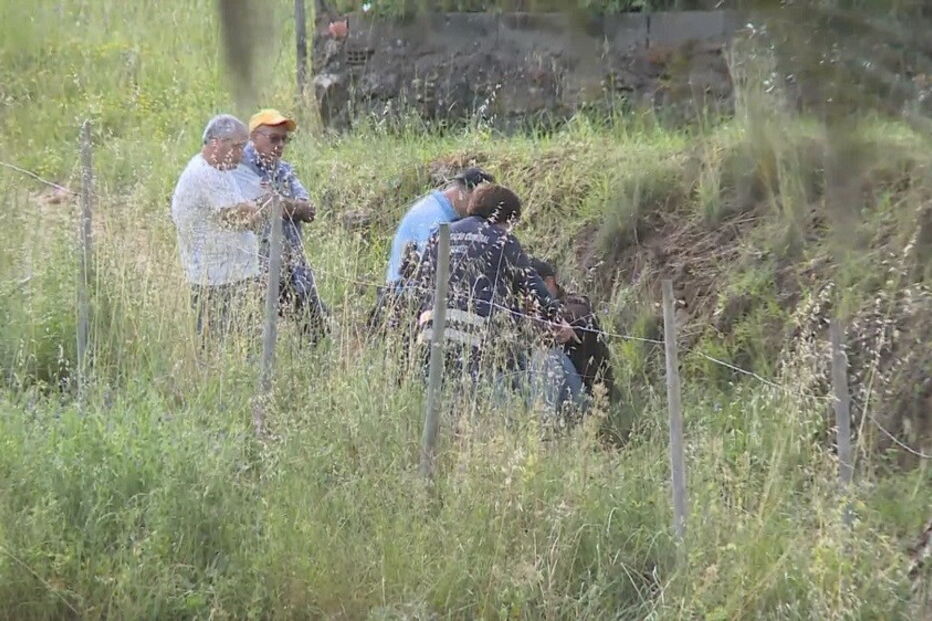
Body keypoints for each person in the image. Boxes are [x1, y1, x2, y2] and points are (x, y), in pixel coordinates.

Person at [413, 184, 577, 406]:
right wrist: (558, 319)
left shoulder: (439, 235)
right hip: (480, 339)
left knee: (439, 404)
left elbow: (419, 284)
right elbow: (531, 284)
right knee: (502, 393)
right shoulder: (502, 239)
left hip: (432, 333)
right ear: (507, 219)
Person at [233, 108, 329, 343]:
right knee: (253, 330)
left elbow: (309, 210)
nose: (280, 145)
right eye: (273, 138)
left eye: (285, 139)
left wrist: (281, 204)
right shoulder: (239, 167)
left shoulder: (283, 169)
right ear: (253, 137)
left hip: (291, 262)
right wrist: (285, 206)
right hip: (255, 265)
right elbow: (262, 209)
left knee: (316, 323)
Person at [171, 114, 263, 337]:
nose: (241, 155)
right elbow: (240, 217)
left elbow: (247, 208)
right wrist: (256, 208)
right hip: (217, 281)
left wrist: (252, 207)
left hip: (230, 276)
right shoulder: (205, 174)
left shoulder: (220, 169)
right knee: (223, 347)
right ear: (217, 143)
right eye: (238, 147)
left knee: (241, 345)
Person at [384, 167, 494, 285]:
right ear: (465, 193)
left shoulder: (438, 208)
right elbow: (429, 265)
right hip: (405, 292)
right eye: (479, 201)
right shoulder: (433, 216)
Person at [529, 257, 616, 406]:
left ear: (549, 282)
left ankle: (543, 423)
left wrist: (535, 319)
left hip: (590, 396)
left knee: (547, 356)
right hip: (564, 396)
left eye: (532, 286)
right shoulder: (530, 310)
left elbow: (563, 328)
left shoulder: (576, 304)